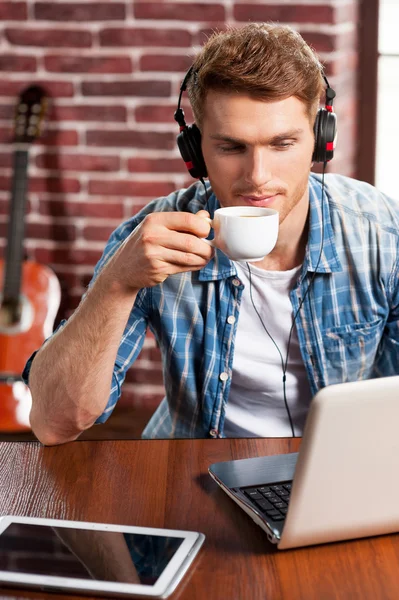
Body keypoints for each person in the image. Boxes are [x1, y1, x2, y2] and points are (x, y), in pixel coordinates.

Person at [23, 23, 399, 446]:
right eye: (231, 147)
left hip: (341, 464)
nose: (258, 178)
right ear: (195, 151)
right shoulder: (149, 239)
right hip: (189, 470)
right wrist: (116, 282)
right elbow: (54, 423)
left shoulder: (383, 235)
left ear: (319, 140)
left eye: (282, 144)